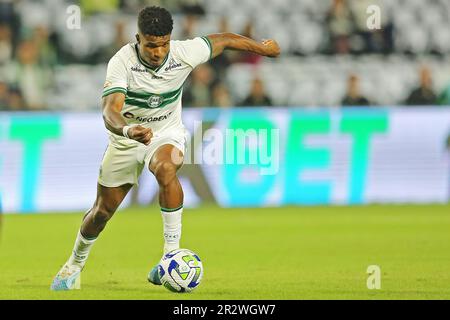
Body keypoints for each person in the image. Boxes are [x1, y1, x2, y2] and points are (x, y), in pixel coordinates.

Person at [50, 6, 280, 290]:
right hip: (126, 139)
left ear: (170, 39)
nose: (158, 52)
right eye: (151, 45)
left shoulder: (183, 53)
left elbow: (224, 40)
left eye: (163, 44)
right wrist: (128, 129)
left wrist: (261, 47)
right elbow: (110, 111)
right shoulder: (122, 62)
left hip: (165, 133)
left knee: (166, 167)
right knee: (101, 212)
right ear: (138, 38)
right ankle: (74, 263)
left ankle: (169, 256)